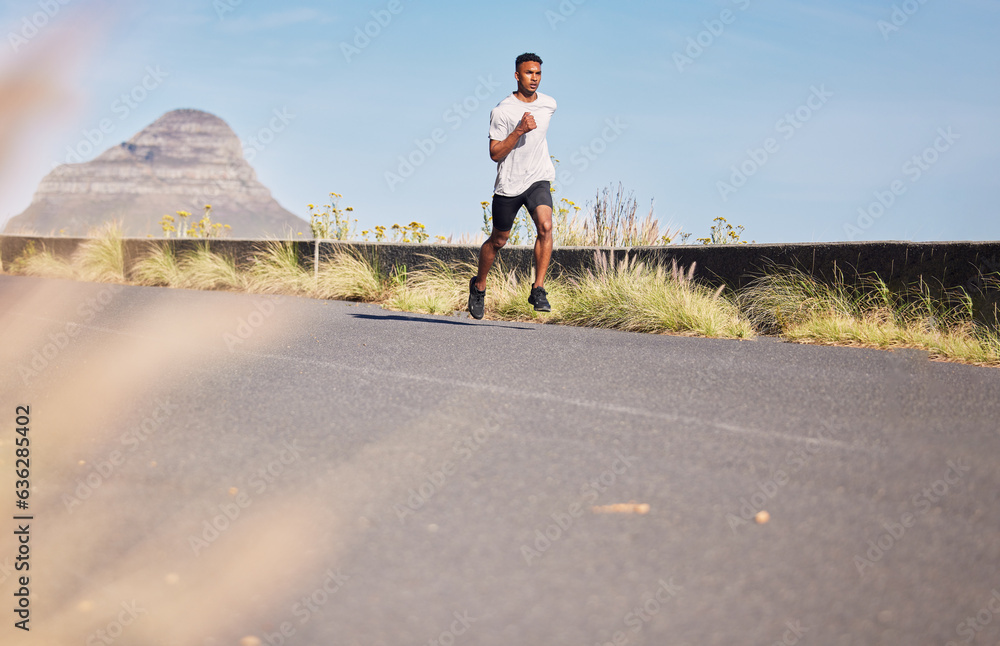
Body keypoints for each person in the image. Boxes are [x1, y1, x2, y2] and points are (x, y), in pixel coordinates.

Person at [468, 52, 556, 320]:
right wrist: (518, 130)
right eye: (529, 73)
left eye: (538, 73)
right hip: (509, 184)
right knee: (499, 240)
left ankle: (538, 288)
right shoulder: (502, 111)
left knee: (546, 225)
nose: (534, 78)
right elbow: (495, 153)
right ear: (517, 76)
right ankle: (479, 285)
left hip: (538, 177)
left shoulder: (549, 104)